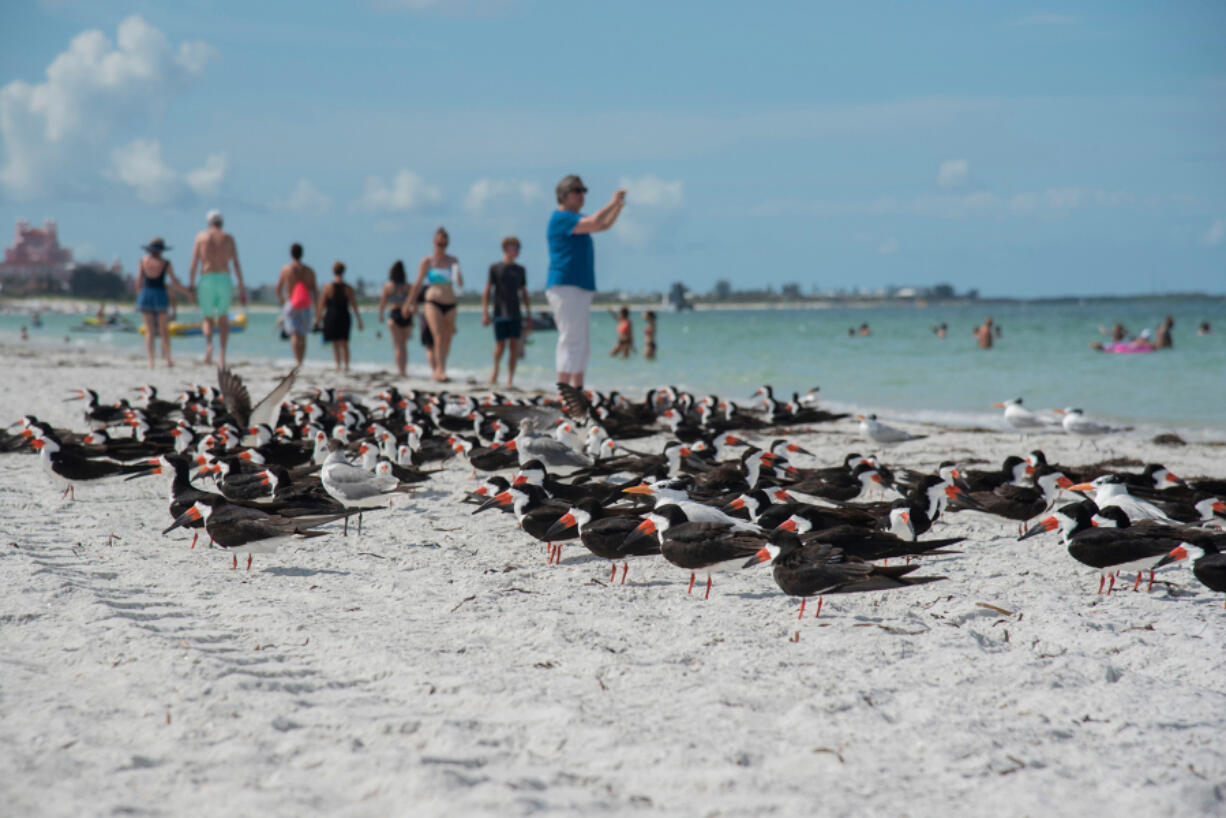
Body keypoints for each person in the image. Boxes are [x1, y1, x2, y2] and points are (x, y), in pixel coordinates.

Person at [546, 175, 626, 388]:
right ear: (563, 196)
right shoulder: (562, 218)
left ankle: (577, 387)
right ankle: (564, 389)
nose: (582, 196)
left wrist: (618, 206)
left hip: (579, 285)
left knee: (581, 341)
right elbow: (595, 222)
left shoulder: (575, 220)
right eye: (577, 191)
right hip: (565, 284)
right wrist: (611, 202)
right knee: (570, 338)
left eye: (583, 191)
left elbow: (603, 226)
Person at [403, 227, 463, 382]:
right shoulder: (427, 261)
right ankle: (438, 370)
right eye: (438, 243)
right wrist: (408, 303)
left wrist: (458, 274)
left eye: (444, 244)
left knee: (448, 337)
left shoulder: (453, 261)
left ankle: (442, 366)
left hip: (450, 302)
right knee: (438, 335)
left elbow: (459, 283)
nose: (441, 246)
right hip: (432, 301)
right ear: (433, 243)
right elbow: (417, 284)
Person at [189, 210, 246, 368]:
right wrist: (241, 286)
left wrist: (191, 286)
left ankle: (209, 345)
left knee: (207, 318)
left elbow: (194, 263)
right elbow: (236, 264)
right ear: (222, 222)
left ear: (209, 222)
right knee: (223, 318)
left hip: (206, 278)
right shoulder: (228, 238)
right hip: (224, 278)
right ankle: (222, 356)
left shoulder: (201, 237)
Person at [481, 236, 531, 387]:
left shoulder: (520, 270)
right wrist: (485, 312)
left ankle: (510, 379)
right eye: (516, 248)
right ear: (507, 248)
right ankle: (495, 371)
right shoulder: (495, 268)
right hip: (499, 312)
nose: (517, 251)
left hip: (515, 312)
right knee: (500, 345)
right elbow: (488, 290)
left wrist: (528, 314)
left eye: (518, 248)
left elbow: (524, 292)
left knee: (514, 346)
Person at [136, 237, 190, 369]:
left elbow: (138, 282)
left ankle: (151, 361)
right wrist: (188, 293)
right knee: (164, 330)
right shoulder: (165, 263)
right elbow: (175, 283)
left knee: (149, 330)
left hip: (146, 293)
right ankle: (168, 359)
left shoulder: (143, 261)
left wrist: (140, 296)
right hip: (160, 294)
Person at [276, 243, 318, 366]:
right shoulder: (309, 270)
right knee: (303, 334)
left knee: (294, 333)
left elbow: (278, 288)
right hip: (305, 303)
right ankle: (302, 360)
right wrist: (316, 306)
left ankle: (297, 360)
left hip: (291, 302)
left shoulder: (286, 269)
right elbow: (314, 290)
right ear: (302, 254)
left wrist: (282, 301)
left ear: (291, 254)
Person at [317, 261, 363, 372]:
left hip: (331, 316)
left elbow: (321, 305)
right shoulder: (348, 288)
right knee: (344, 342)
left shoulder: (328, 287)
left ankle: (338, 365)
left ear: (333, 271)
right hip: (344, 315)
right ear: (344, 271)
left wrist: (317, 319)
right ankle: (346, 366)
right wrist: (359, 320)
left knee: (335, 343)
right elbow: (354, 306)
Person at [378, 260, 414, 377]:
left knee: (398, 345)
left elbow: (383, 302)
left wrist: (381, 315)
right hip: (406, 314)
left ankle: (400, 371)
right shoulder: (407, 286)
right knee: (403, 345)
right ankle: (404, 370)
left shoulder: (388, 286)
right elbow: (413, 303)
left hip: (394, 314)